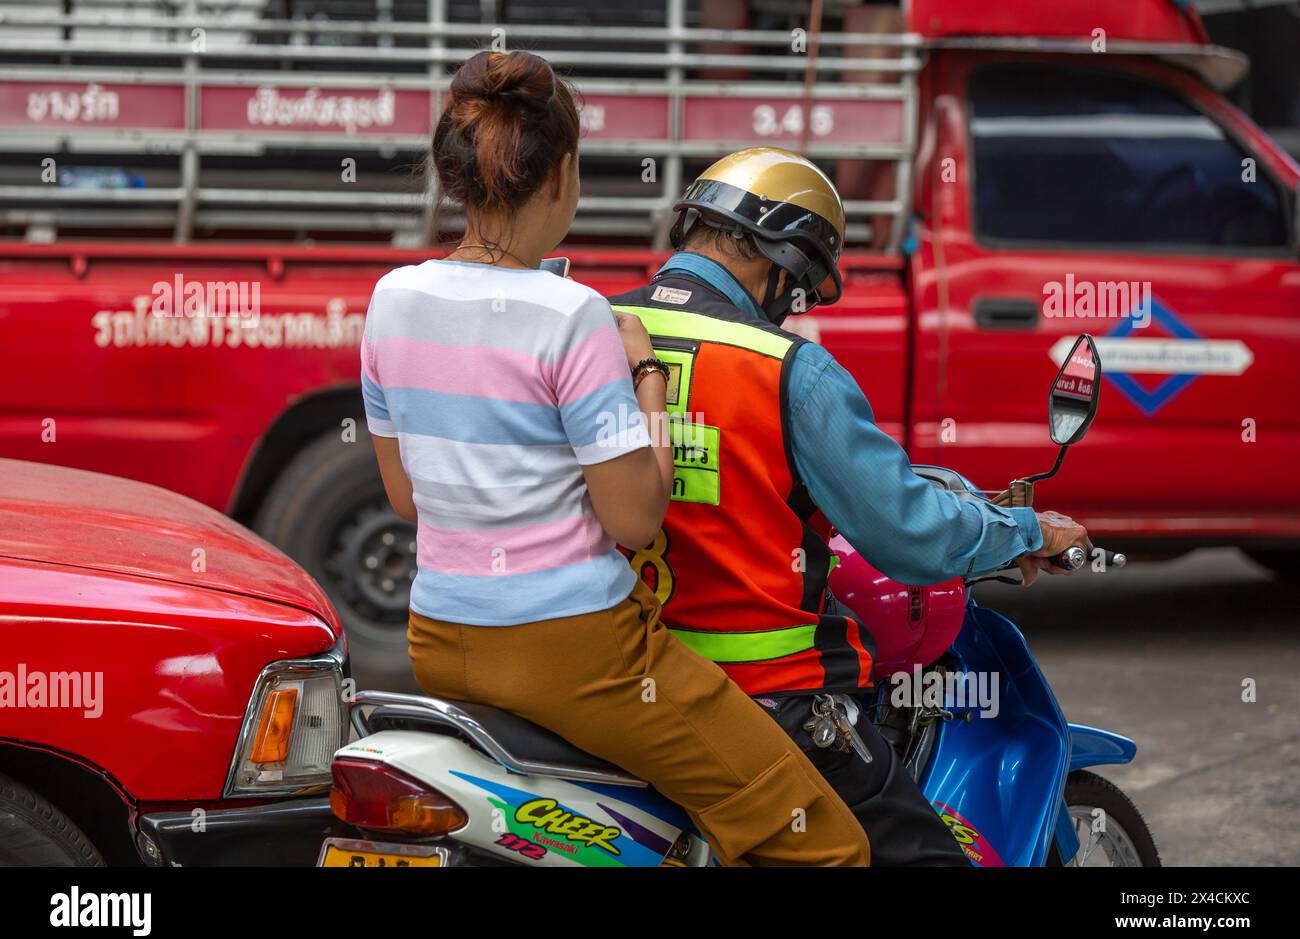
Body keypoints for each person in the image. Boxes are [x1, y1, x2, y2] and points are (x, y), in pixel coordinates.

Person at [359, 52, 870, 866]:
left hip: (439, 636)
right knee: (824, 841)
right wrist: (649, 378)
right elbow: (634, 519)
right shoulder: (577, 317)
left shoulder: (391, 299)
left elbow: (408, 499)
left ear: (455, 173)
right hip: (578, 654)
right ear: (562, 174)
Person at [609, 147, 1094, 865]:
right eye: (800, 281)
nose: (792, 302)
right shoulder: (785, 368)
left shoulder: (591, 332)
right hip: (767, 700)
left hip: (615, 685)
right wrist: (1024, 530)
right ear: (781, 255)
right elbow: (910, 533)